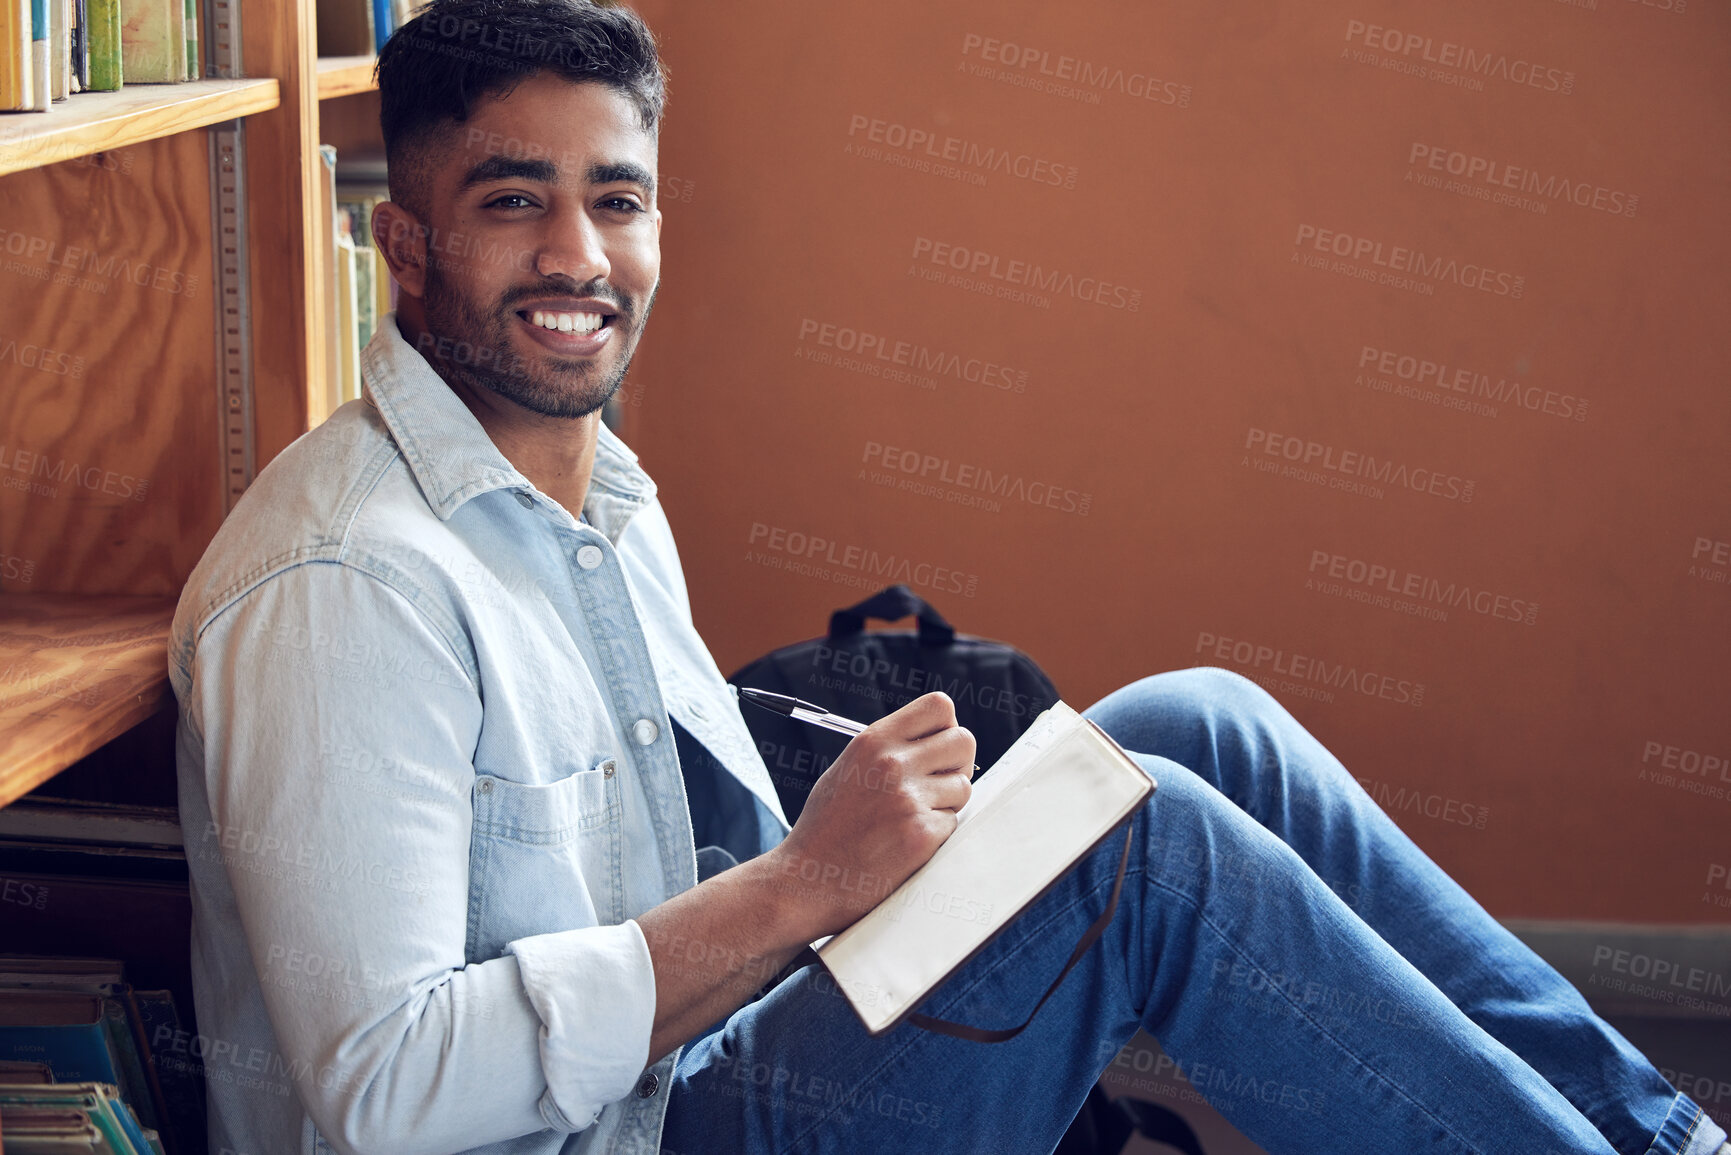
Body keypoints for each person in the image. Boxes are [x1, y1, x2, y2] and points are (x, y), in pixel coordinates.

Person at [166, 2, 1728, 1153]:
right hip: (631, 1138)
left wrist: (873, 868)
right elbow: (377, 1092)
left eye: (616, 197)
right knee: (1149, 850)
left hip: (715, 1044)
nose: (579, 253)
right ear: (409, 245)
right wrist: (808, 886)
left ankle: (1667, 1145)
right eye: (515, 201)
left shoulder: (590, 493)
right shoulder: (345, 589)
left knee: (1200, 727)